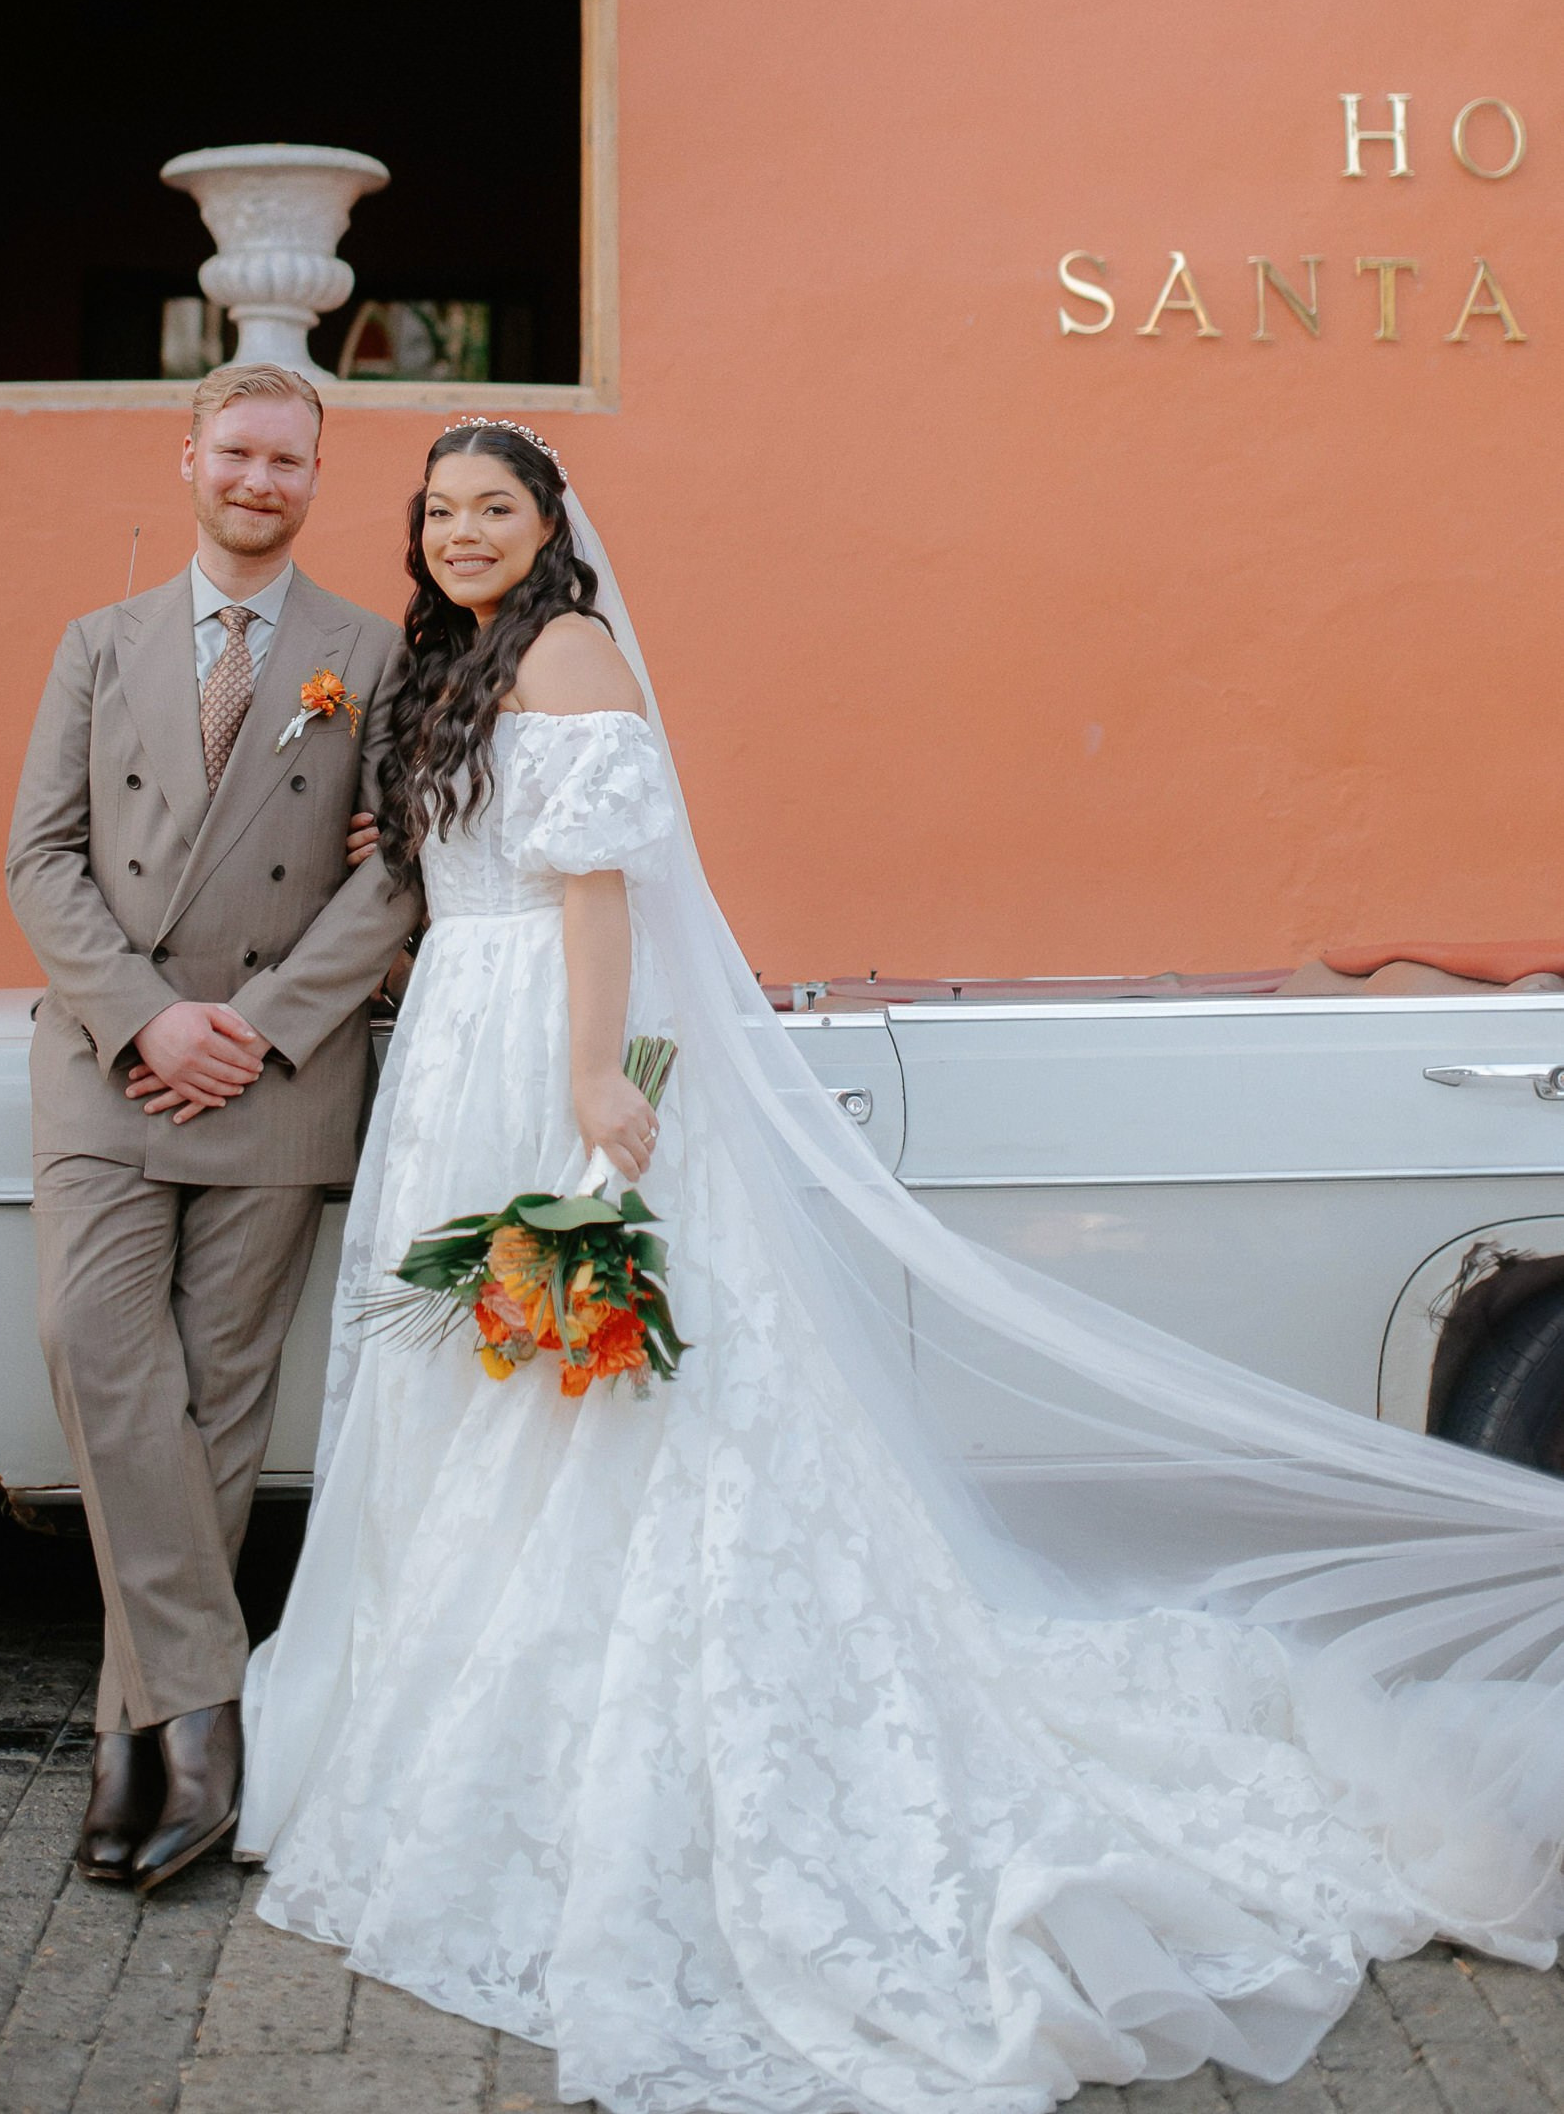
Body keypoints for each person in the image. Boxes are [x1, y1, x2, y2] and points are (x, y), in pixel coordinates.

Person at [240, 420, 1564, 2114]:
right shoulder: (464, 660)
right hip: (460, 1043)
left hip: (539, 1049)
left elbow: (599, 899)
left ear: (553, 525)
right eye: (438, 512)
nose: (462, 532)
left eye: (495, 507)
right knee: (489, 1390)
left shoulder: (569, 650)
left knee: (579, 1396)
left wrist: (588, 1090)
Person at [6, 361, 417, 1893]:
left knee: (217, 1407)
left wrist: (257, 1025)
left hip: (274, 1073)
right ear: (186, 457)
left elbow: (395, 871)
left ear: (320, 476)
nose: (260, 478)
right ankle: (208, 1711)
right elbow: (38, 857)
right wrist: (145, 1017)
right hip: (112, 1070)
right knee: (94, 1352)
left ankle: (137, 1750)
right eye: (236, 451)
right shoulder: (96, 647)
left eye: (289, 460)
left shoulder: (369, 652)